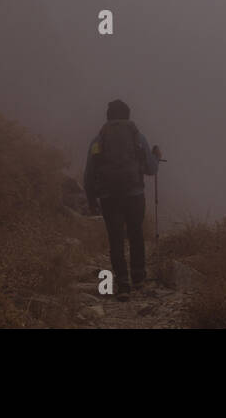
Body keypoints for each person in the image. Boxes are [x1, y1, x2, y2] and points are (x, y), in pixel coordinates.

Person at [83, 99, 161, 300]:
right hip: (134, 194)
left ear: (108, 116)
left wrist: (91, 199)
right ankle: (139, 279)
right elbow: (150, 168)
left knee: (115, 239)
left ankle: (123, 284)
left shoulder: (98, 140)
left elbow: (90, 172)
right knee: (136, 234)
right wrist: (156, 157)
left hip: (109, 197)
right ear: (128, 116)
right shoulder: (138, 137)